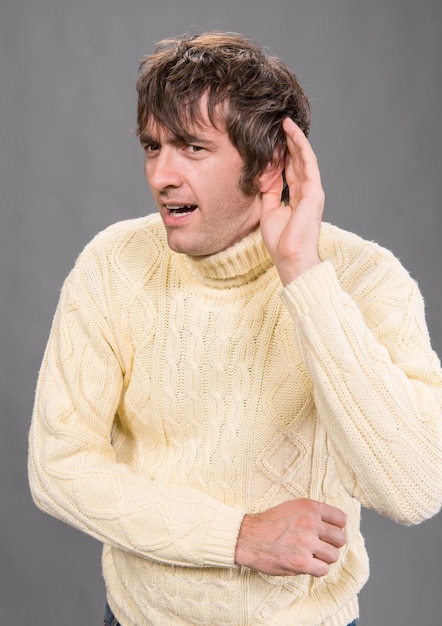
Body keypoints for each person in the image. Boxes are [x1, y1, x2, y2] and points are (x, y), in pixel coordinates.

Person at [28, 32, 442, 626]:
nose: (161, 175)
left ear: (271, 162)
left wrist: (303, 273)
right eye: (152, 146)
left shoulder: (366, 279)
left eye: (192, 148)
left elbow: (414, 489)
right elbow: (58, 468)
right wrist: (240, 537)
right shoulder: (112, 265)